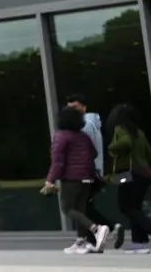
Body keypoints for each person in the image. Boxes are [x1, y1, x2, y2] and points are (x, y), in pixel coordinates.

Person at [45, 105, 109, 254]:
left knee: (67, 208)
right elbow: (93, 153)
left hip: (71, 178)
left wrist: (50, 180)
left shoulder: (61, 136)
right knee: (81, 210)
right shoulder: (83, 136)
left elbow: (57, 161)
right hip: (87, 177)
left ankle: (96, 229)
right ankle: (82, 241)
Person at [66, 94, 115, 235]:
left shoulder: (85, 125)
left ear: (84, 107)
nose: (72, 111)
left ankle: (105, 229)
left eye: (75, 107)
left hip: (87, 171)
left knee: (79, 206)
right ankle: (101, 233)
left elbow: (85, 151)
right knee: (84, 205)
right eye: (70, 108)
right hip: (92, 170)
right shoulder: (89, 123)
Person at [105, 104, 151, 253]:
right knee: (135, 207)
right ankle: (139, 242)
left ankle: (146, 231)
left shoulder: (120, 129)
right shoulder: (139, 132)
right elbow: (148, 153)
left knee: (125, 206)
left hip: (128, 174)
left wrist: (111, 148)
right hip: (143, 174)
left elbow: (125, 143)